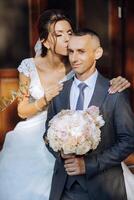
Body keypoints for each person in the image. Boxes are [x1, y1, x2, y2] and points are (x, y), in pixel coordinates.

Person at [0, 10, 131, 200]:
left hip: (78, 133)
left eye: (69, 32)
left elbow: (96, 84)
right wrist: (45, 99)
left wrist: (120, 81)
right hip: (39, 132)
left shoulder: (77, 64)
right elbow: (21, 110)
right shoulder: (29, 66)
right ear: (45, 41)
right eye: (59, 35)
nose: (67, 39)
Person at [45, 29, 134, 200]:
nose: (74, 58)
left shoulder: (114, 92)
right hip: (64, 188)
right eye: (71, 51)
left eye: (81, 51)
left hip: (104, 188)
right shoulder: (60, 93)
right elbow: (46, 135)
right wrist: (61, 152)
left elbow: (129, 140)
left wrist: (89, 164)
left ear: (97, 53)